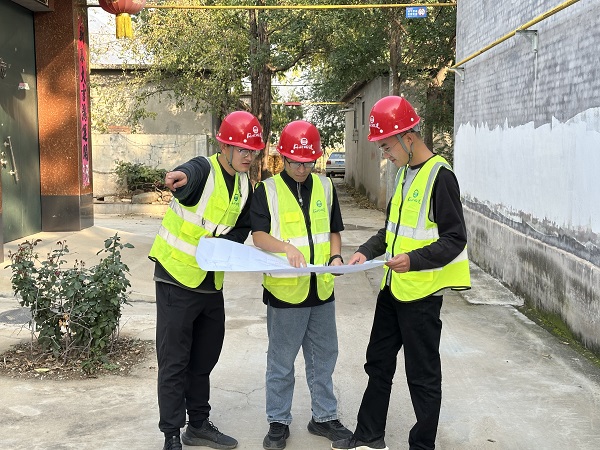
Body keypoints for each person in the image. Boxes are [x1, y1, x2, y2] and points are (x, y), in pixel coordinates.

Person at [332, 96, 471, 450]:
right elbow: (390, 231)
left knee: (422, 376)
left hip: (421, 295)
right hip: (392, 289)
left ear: (408, 137)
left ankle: (422, 446)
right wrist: (365, 251)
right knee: (378, 363)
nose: (385, 154)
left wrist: (414, 260)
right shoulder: (405, 174)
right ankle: (369, 435)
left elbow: (455, 238)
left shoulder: (441, 177)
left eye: (386, 146)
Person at [148, 110, 265, 450]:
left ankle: (198, 425)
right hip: (176, 277)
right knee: (174, 361)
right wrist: (180, 176)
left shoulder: (245, 185)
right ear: (224, 146)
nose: (248, 156)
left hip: (210, 282)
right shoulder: (204, 169)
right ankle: (172, 434)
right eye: (241, 149)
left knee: (204, 359)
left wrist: (227, 248)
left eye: (252, 150)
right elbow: (189, 173)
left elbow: (241, 229)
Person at [250, 120, 353, 450]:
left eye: (307, 162)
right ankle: (278, 421)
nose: (301, 168)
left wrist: (336, 257)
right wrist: (286, 248)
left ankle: (324, 417)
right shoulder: (267, 190)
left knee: (324, 357)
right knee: (281, 362)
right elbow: (258, 236)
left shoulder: (325, 187)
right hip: (286, 292)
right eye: (295, 161)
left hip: (321, 289)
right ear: (283, 157)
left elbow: (334, 230)